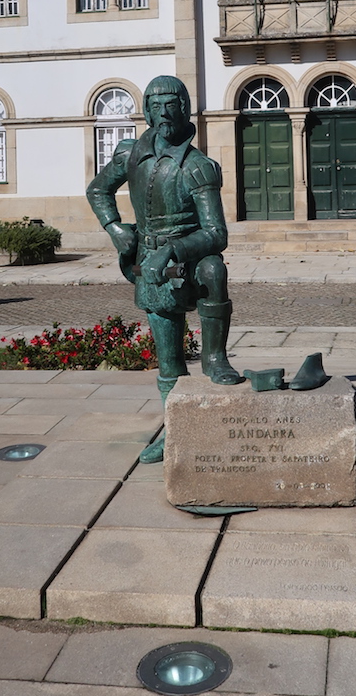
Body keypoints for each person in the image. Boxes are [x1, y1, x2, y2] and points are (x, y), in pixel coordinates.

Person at [86, 75, 243, 460]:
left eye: (171, 104)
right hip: (147, 260)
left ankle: (215, 357)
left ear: (184, 107)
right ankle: (174, 432)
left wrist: (172, 250)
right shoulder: (130, 153)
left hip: (188, 258)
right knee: (168, 358)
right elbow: (98, 190)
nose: (163, 112)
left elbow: (216, 233)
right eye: (155, 105)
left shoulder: (198, 166)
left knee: (214, 271)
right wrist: (115, 228)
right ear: (147, 111)